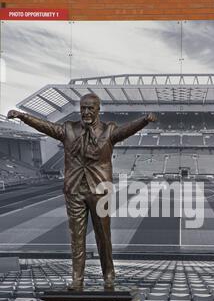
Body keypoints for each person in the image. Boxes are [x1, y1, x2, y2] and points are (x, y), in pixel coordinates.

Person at [8, 94, 156, 290]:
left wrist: (144, 120)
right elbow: (46, 126)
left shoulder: (109, 130)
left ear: (98, 109)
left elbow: (125, 131)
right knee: (76, 237)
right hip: (75, 190)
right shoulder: (69, 129)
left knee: (103, 236)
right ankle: (77, 279)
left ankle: (109, 275)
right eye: (83, 108)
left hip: (100, 190)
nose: (86, 112)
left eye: (90, 108)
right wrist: (23, 116)